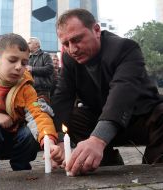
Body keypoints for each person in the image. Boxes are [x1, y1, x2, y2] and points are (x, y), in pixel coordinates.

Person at [52, 8, 163, 176]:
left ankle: (153, 171)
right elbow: (63, 96)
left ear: (96, 30)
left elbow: (122, 91)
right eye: (66, 44)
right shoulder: (69, 58)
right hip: (98, 119)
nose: (72, 49)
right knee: (75, 116)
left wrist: (98, 139)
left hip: (141, 118)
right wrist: (59, 139)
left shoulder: (126, 48)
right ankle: (104, 163)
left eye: (77, 39)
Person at [0, 33, 63, 172]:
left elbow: (38, 115)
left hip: (17, 140)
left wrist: (48, 141)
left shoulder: (26, 89)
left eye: (24, 63)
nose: (19, 67)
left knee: (31, 132)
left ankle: (21, 169)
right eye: (12, 60)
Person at [27, 37, 54, 102]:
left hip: (42, 91)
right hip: (30, 91)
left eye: (29, 43)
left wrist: (32, 69)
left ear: (37, 45)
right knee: (33, 108)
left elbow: (49, 69)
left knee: (43, 109)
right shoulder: (28, 57)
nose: (27, 44)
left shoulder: (45, 55)